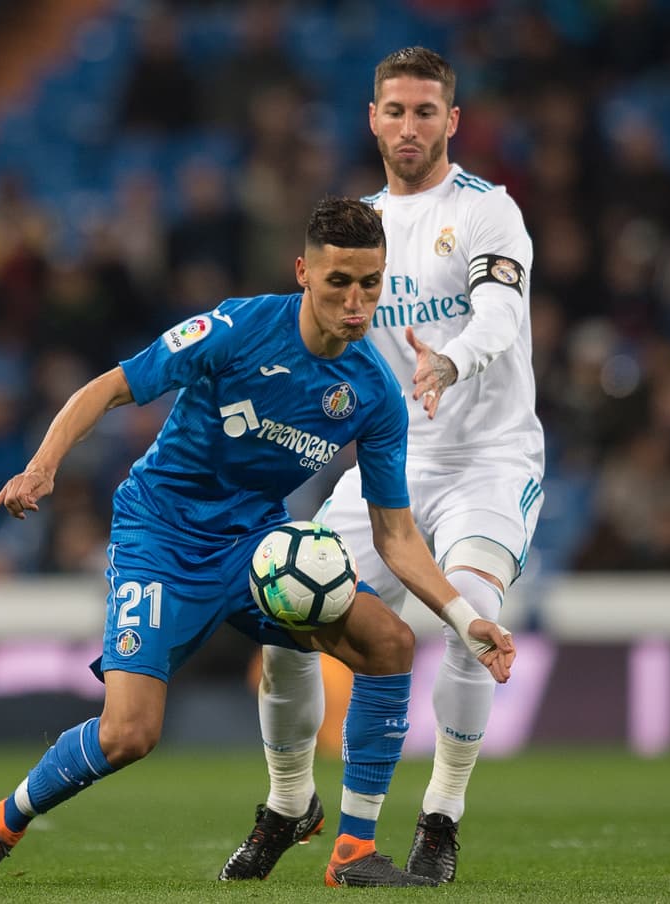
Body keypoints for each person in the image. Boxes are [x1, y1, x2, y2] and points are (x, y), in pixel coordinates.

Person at [0, 197, 516, 889]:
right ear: (304, 272)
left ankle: (354, 851)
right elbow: (110, 387)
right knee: (129, 735)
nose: (356, 301)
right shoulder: (237, 327)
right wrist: (42, 465)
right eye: (339, 282)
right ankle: (4, 818)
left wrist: (465, 617)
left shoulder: (374, 395)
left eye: (371, 282)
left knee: (390, 642)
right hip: (163, 534)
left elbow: (395, 534)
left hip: (256, 547)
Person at [222, 48, 544, 885]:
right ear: (372, 118)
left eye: (426, 112)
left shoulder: (488, 211)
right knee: (288, 618)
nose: (409, 126)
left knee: (469, 619)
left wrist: (449, 362)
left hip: (489, 457)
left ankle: (441, 816)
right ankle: (289, 804)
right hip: (390, 464)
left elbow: (501, 314)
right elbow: (318, 341)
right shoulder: (357, 225)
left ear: (452, 121)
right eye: (395, 111)